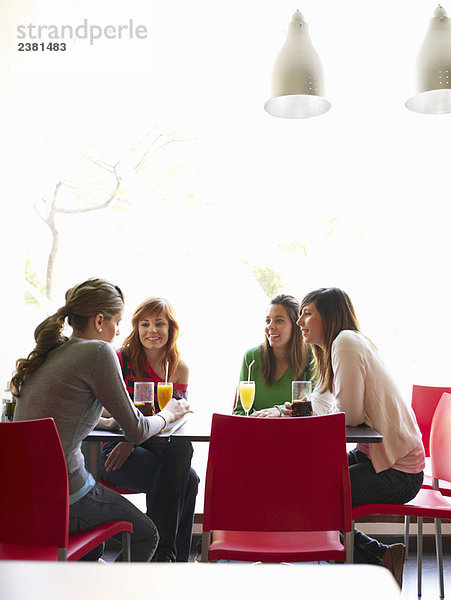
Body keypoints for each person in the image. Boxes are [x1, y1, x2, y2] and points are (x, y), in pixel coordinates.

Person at [11, 278, 190, 562]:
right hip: (67, 495)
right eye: (117, 322)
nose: (119, 331)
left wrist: (108, 424)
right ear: (98, 320)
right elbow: (139, 428)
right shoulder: (97, 352)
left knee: (96, 547)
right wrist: (169, 414)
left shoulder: (51, 351)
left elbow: (63, 418)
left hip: (21, 498)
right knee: (146, 534)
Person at [285, 287, 424, 586]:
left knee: (313, 501)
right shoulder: (338, 347)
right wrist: (287, 411)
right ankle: (374, 560)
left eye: (307, 313)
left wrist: (311, 415)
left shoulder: (345, 341)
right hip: (375, 458)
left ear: (330, 315)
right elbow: (326, 409)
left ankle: (373, 562)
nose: (300, 323)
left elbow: (348, 417)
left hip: (398, 471)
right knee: (302, 490)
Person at [99, 297, 199, 562]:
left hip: (151, 445)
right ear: (136, 328)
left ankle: (158, 555)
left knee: (182, 450)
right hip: (112, 447)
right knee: (187, 480)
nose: (152, 330)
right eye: (145, 324)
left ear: (171, 329)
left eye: (159, 324)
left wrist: (136, 437)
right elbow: (104, 409)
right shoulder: (121, 360)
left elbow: (175, 420)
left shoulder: (178, 367)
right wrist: (130, 435)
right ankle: (167, 558)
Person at [234, 293, 333, 417]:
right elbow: (240, 411)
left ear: (296, 325)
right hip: (259, 433)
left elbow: (321, 409)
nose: (270, 326)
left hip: (298, 433)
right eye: (268, 321)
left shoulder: (313, 358)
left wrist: (280, 410)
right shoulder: (251, 358)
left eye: (279, 320)